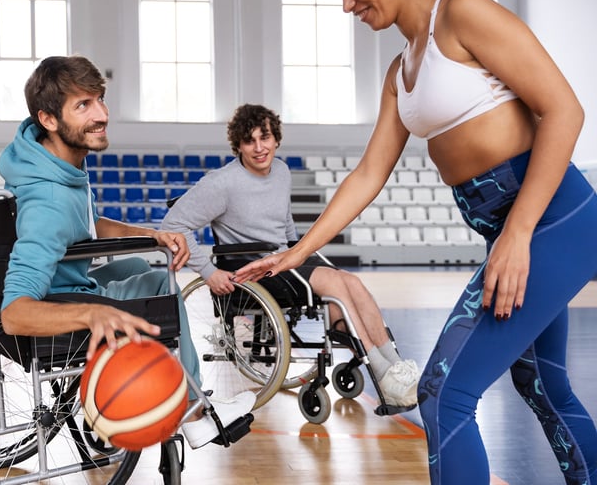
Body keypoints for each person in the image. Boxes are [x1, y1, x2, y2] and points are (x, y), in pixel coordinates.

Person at [232, 0, 597, 483]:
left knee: (443, 391)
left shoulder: (464, 14)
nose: (347, 4)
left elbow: (564, 110)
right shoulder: (400, 71)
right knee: (541, 384)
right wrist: (299, 253)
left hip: (551, 220)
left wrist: (520, 233)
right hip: (516, 229)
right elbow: (368, 175)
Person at [0, 54, 255, 449]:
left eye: (100, 98)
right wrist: (92, 311)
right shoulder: (48, 201)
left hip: (71, 279)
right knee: (157, 282)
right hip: (64, 300)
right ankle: (193, 412)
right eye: (83, 105)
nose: (102, 113)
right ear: (48, 119)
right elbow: (14, 313)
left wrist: (151, 234)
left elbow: (87, 225)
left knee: (135, 262)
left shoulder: (55, 164)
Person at [161, 103, 418, 407]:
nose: (259, 148)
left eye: (265, 138)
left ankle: (395, 365)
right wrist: (208, 271)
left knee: (350, 282)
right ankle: (381, 373)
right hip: (251, 265)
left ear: (276, 139)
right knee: (334, 285)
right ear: (238, 146)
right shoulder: (221, 183)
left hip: (283, 258)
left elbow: (285, 222)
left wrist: (300, 251)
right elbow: (173, 225)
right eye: (250, 141)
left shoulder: (281, 170)